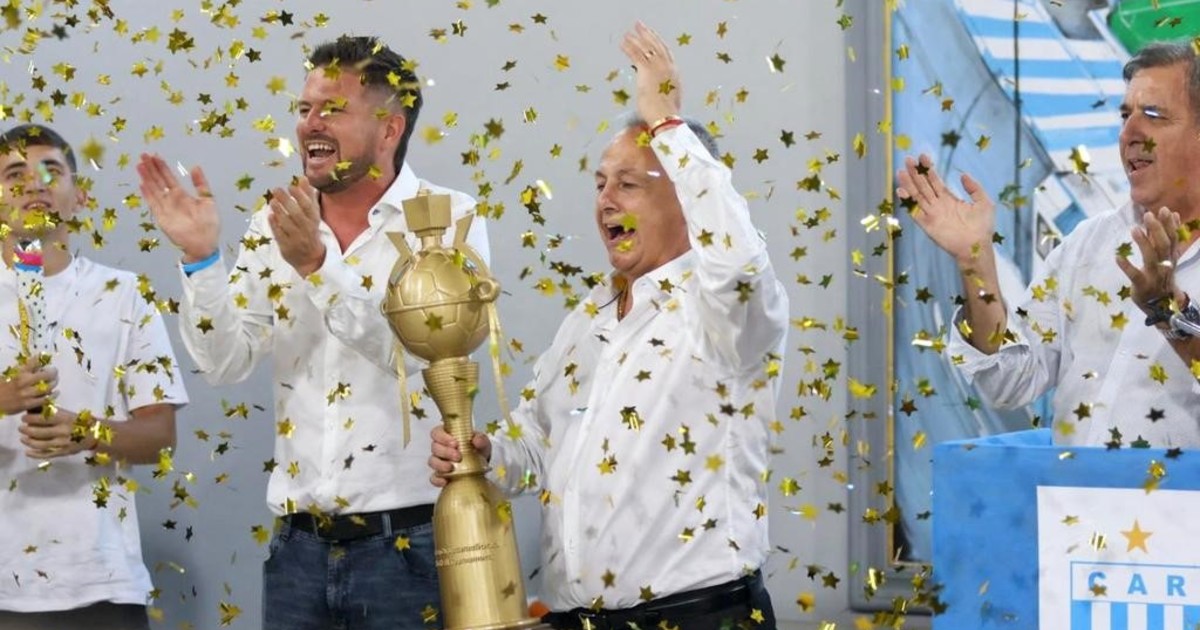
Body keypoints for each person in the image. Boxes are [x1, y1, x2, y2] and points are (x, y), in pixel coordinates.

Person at [429, 22, 787, 630]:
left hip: (700, 617)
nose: (605, 200)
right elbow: (540, 447)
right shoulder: (589, 318)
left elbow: (739, 263)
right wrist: (490, 455)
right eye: (600, 184)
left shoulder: (727, 311)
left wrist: (667, 123)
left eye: (628, 184)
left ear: (686, 198)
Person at [136, 35, 487, 629]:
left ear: (389, 129)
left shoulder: (449, 217)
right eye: (304, 109)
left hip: (410, 546)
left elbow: (423, 356)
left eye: (333, 109)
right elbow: (224, 362)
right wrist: (201, 260)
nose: (310, 124)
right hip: (297, 551)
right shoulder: (274, 225)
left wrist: (318, 268)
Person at [896, 40, 1200, 448]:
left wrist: (1168, 312)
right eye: (1125, 115)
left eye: (1153, 115)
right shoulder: (1088, 245)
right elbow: (1008, 380)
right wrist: (975, 261)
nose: (1129, 133)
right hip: (1070, 491)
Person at [0, 124, 188, 630]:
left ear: (79, 195)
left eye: (50, 172)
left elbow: (161, 438)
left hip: (102, 585)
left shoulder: (125, 295)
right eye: (15, 174)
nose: (34, 184)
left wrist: (85, 432)